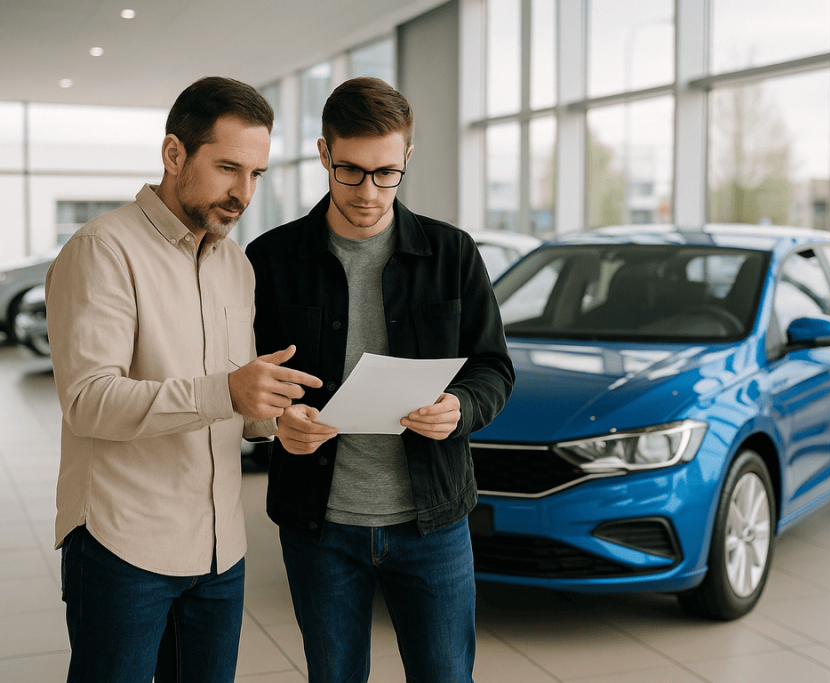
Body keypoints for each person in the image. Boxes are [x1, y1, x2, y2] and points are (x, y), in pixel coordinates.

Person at [45, 76, 322, 683]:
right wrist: (226, 390)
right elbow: (89, 402)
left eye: (256, 174)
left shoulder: (234, 263)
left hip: (221, 550)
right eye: (228, 168)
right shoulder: (102, 250)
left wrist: (279, 419)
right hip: (124, 545)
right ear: (174, 154)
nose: (244, 192)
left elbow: (241, 404)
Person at [245, 77, 514, 683]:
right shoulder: (270, 261)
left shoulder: (454, 254)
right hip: (321, 526)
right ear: (323, 154)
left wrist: (460, 407)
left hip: (433, 522)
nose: (369, 192)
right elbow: (244, 384)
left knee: (446, 677)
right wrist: (272, 423)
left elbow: (493, 367)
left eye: (387, 172)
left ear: (408, 158)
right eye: (351, 171)